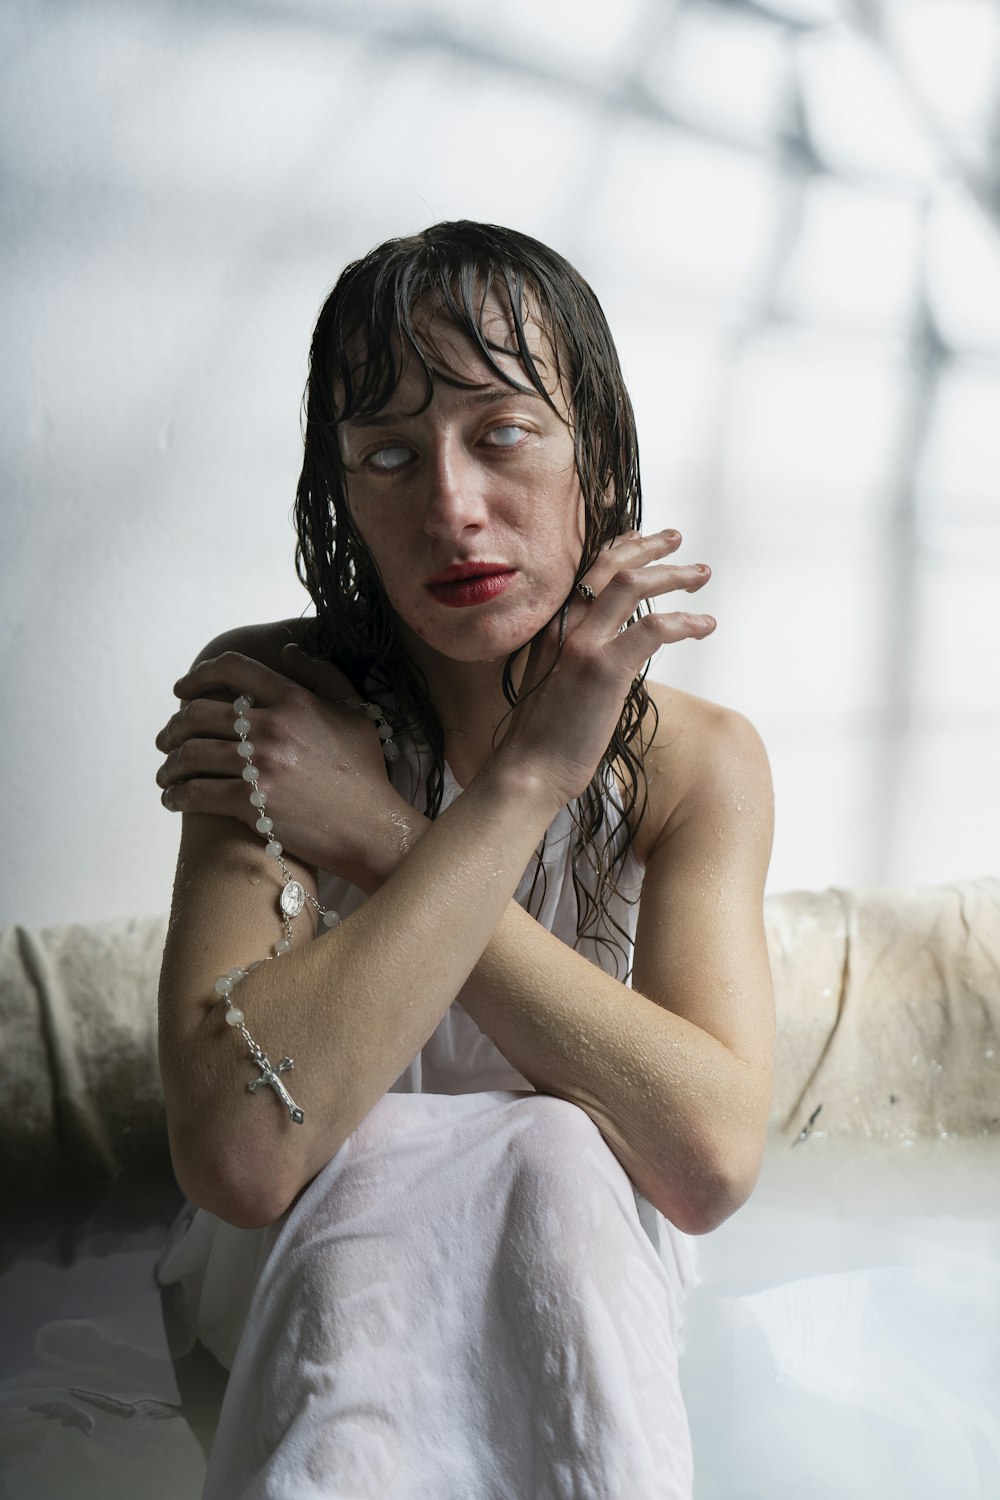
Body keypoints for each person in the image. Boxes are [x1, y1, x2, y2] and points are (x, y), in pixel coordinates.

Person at [153, 220, 775, 1499]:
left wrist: (402, 829)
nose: (450, 507)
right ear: (342, 498)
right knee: (388, 1145)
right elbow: (240, 1158)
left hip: (578, 1257)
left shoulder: (696, 762)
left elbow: (706, 1162)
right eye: (388, 455)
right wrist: (507, 802)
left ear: (593, 454)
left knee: (550, 1151)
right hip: (307, 1266)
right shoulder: (277, 709)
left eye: (500, 434)